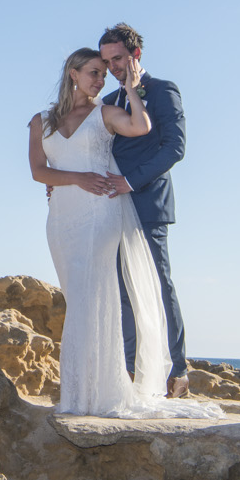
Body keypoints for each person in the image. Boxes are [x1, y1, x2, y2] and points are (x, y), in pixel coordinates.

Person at [28, 48, 219, 419]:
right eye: (94, 72)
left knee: (95, 297)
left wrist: (132, 89)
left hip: (101, 213)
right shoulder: (41, 120)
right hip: (62, 220)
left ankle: (102, 391)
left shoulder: (108, 110)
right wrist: (72, 179)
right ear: (73, 73)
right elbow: (39, 170)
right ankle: (82, 390)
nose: (101, 80)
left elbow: (143, 128)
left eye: (104, 73)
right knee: (77, 298)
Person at [97, 24, 190, 399]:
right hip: (111, 208)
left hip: (148, 202)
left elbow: (174, 149)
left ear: (135, 54)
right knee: (122, 289)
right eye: (106, 62)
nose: (112, 67)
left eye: (117, 59)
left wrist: (129, 182)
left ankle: (178, 371)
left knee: (160, 285)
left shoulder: (164, 90)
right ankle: (134, 368)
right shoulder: (106, 101)